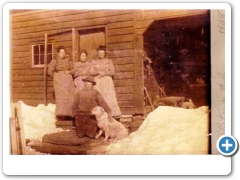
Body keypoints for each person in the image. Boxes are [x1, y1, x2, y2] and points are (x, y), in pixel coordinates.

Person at [89, 45, 121, 118]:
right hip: (98, 81)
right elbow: (91, 71)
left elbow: (112, 72)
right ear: (98, 53)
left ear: (104, 53)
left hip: (107, 81)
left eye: (102, 52)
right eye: (99, 52)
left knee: (108, 97)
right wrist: (98, 72)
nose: (101, 54)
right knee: (99, 96)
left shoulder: (109, 61)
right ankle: (99, 114)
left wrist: (105, 73)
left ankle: (111, 113)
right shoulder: (94, 61)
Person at [47, 46, 75, 120]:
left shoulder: (68, 60)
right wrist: (56, 77)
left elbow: (73, 69)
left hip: (68, 81)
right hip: (59, 82)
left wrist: (69, 71)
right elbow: (49, 71)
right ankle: (60, 115)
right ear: (58, 53)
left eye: (64, 52)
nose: (63, 54)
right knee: (60, 98)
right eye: (61, 52)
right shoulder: (54, 60)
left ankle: (68, 115)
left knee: (69, 97)